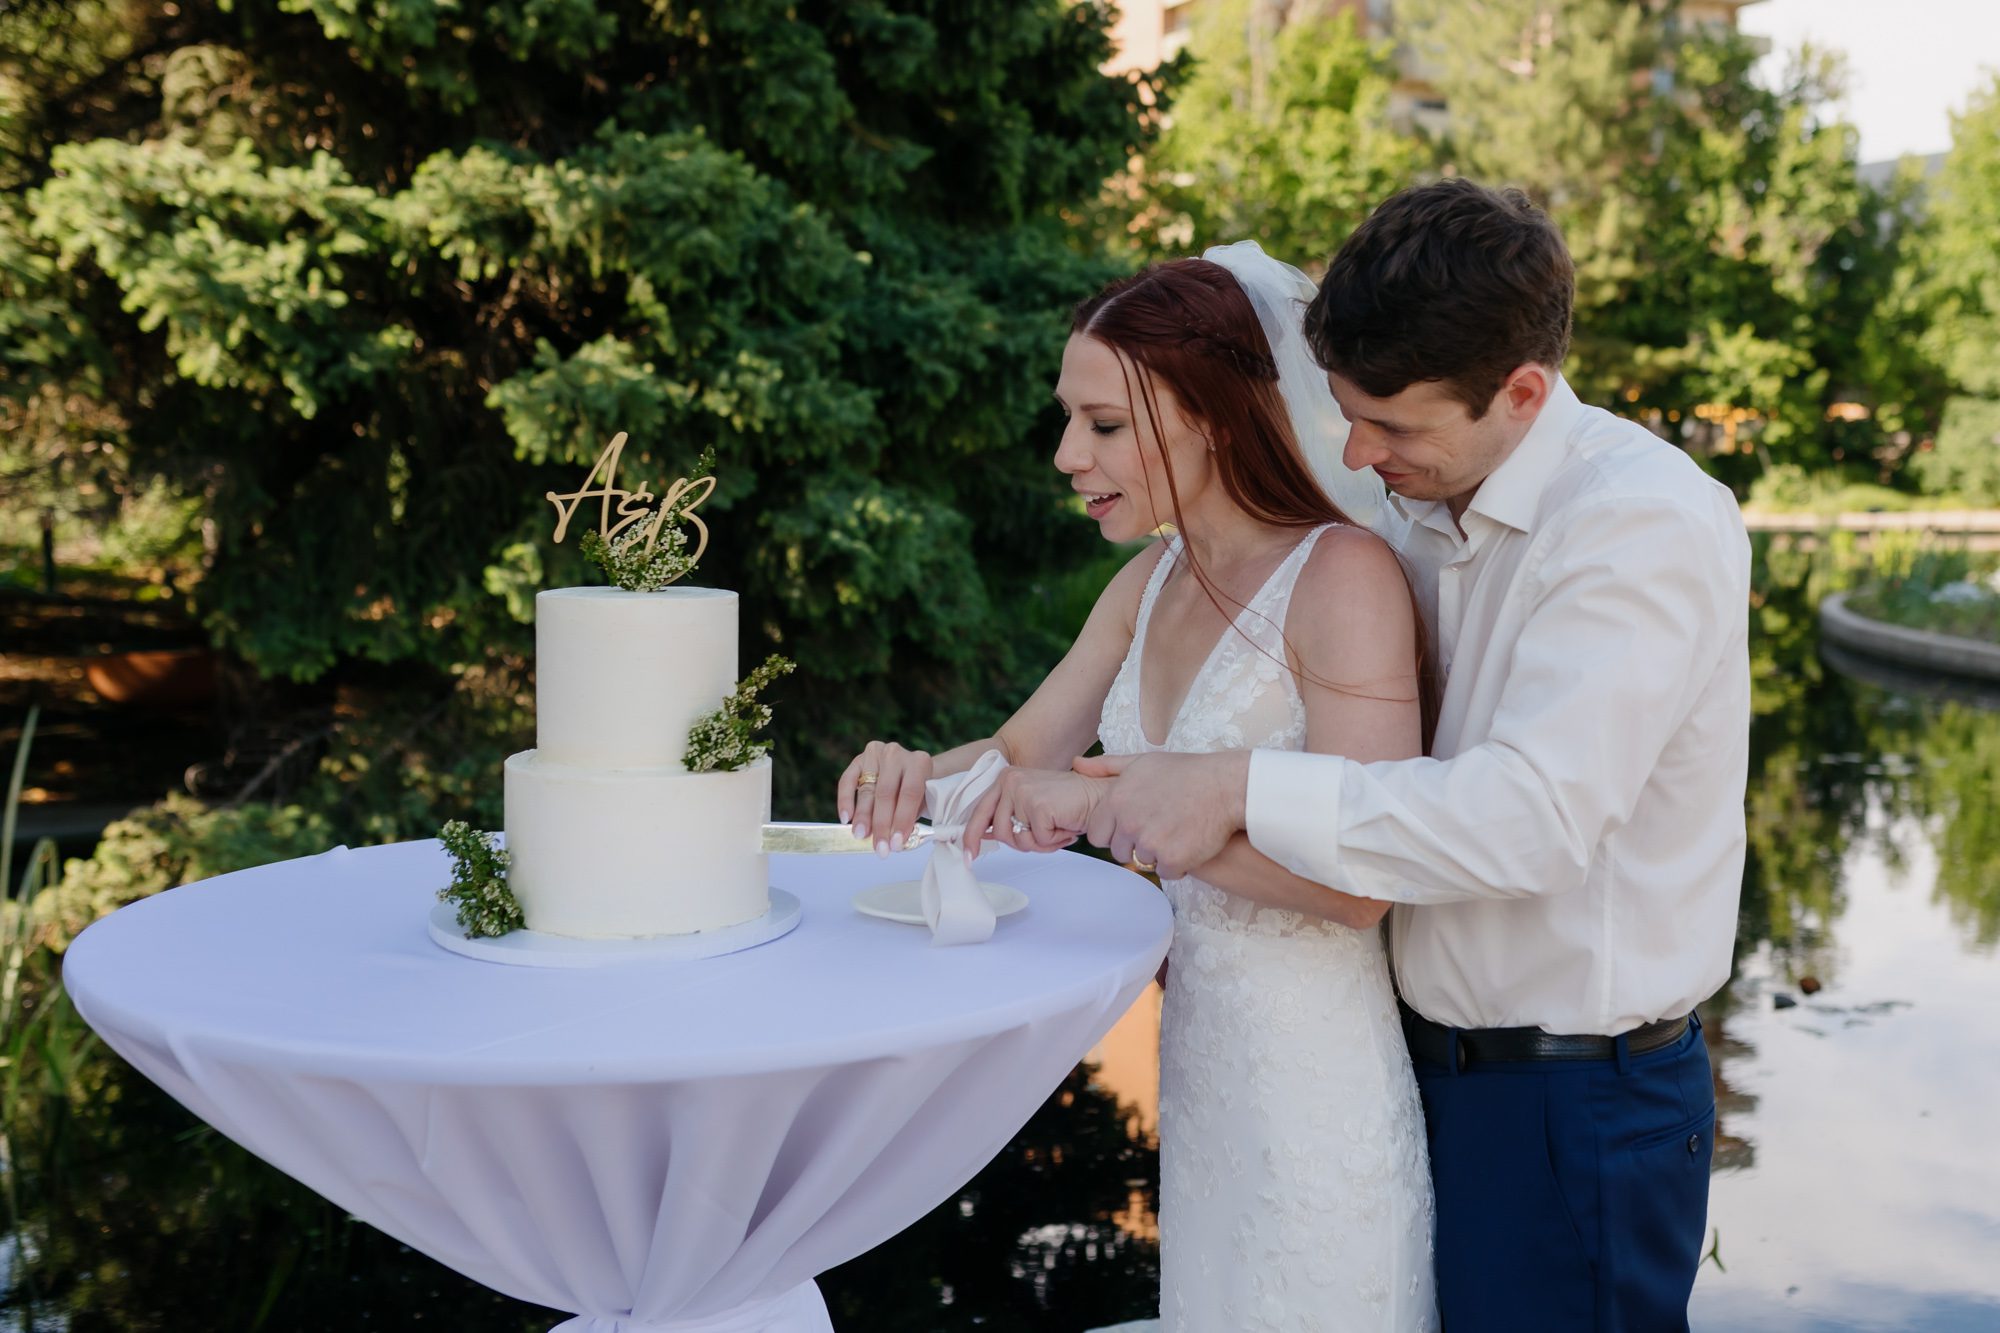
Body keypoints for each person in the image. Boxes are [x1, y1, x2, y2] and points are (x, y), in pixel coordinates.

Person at [1073, 180, 1752, 1330]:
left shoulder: (1637, 524)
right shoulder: (1413, 507)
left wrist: (1232, 786)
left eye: (1389, 423)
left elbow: (1526, 817)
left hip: (1575, 1098)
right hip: (1413, 1068)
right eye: (1346, 410)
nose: (1355, 449)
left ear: (1521, 393)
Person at [837, 243, 1439, 1330]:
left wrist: (1114, 806)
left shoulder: (1342, 579)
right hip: (1202, 1083)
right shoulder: (1143, 582)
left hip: (1317, 1104)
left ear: (1208, 415)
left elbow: (1364, 887)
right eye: (1069, 421)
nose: (1068, 454)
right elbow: (1018, 760)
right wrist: (911, 774)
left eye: (1104, 425)